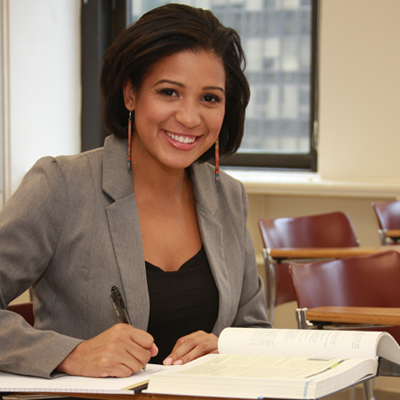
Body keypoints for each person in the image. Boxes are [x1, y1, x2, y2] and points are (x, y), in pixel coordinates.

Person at [0, 4, 270, 379]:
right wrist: (69, 353)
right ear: (130, 94)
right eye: (169, 92)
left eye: (210, 98)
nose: (190, 118)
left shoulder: (228, 196)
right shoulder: (61, 184)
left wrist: (226, 345)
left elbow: (256, 329)